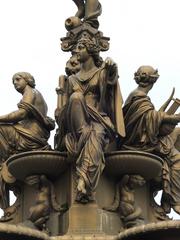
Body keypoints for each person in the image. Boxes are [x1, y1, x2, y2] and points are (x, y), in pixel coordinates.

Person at [56, 32, 125, 203]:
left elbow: (111, 80)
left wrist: (112, 66)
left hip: (98, 118)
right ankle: (83, 132)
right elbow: (63, 111)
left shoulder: (101, 73)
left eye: (81, 47)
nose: (77, 51)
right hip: (77, 121)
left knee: (97, 134)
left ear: (91, 50)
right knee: (76, 98)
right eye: (76, 47)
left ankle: (83, 181)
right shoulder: (71, 79)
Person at [122, 65, 180, 214]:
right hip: (138, 142)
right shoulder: (139, 96)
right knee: (175, 159)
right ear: (153, 81)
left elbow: (150, 117)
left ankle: (169, 199)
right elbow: (148, 117)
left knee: (176, 137)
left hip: (145, 138)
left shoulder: (138, 96)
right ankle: (173, 200)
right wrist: (171, 117)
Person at [0, 72, 55, 220]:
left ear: (28, 80)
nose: (15, 83)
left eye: (18, 79)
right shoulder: (33, 93)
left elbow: (21, 114)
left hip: (31, 136)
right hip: (32, 133)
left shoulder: (30, 92)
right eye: (13, 82)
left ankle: (7, 157)